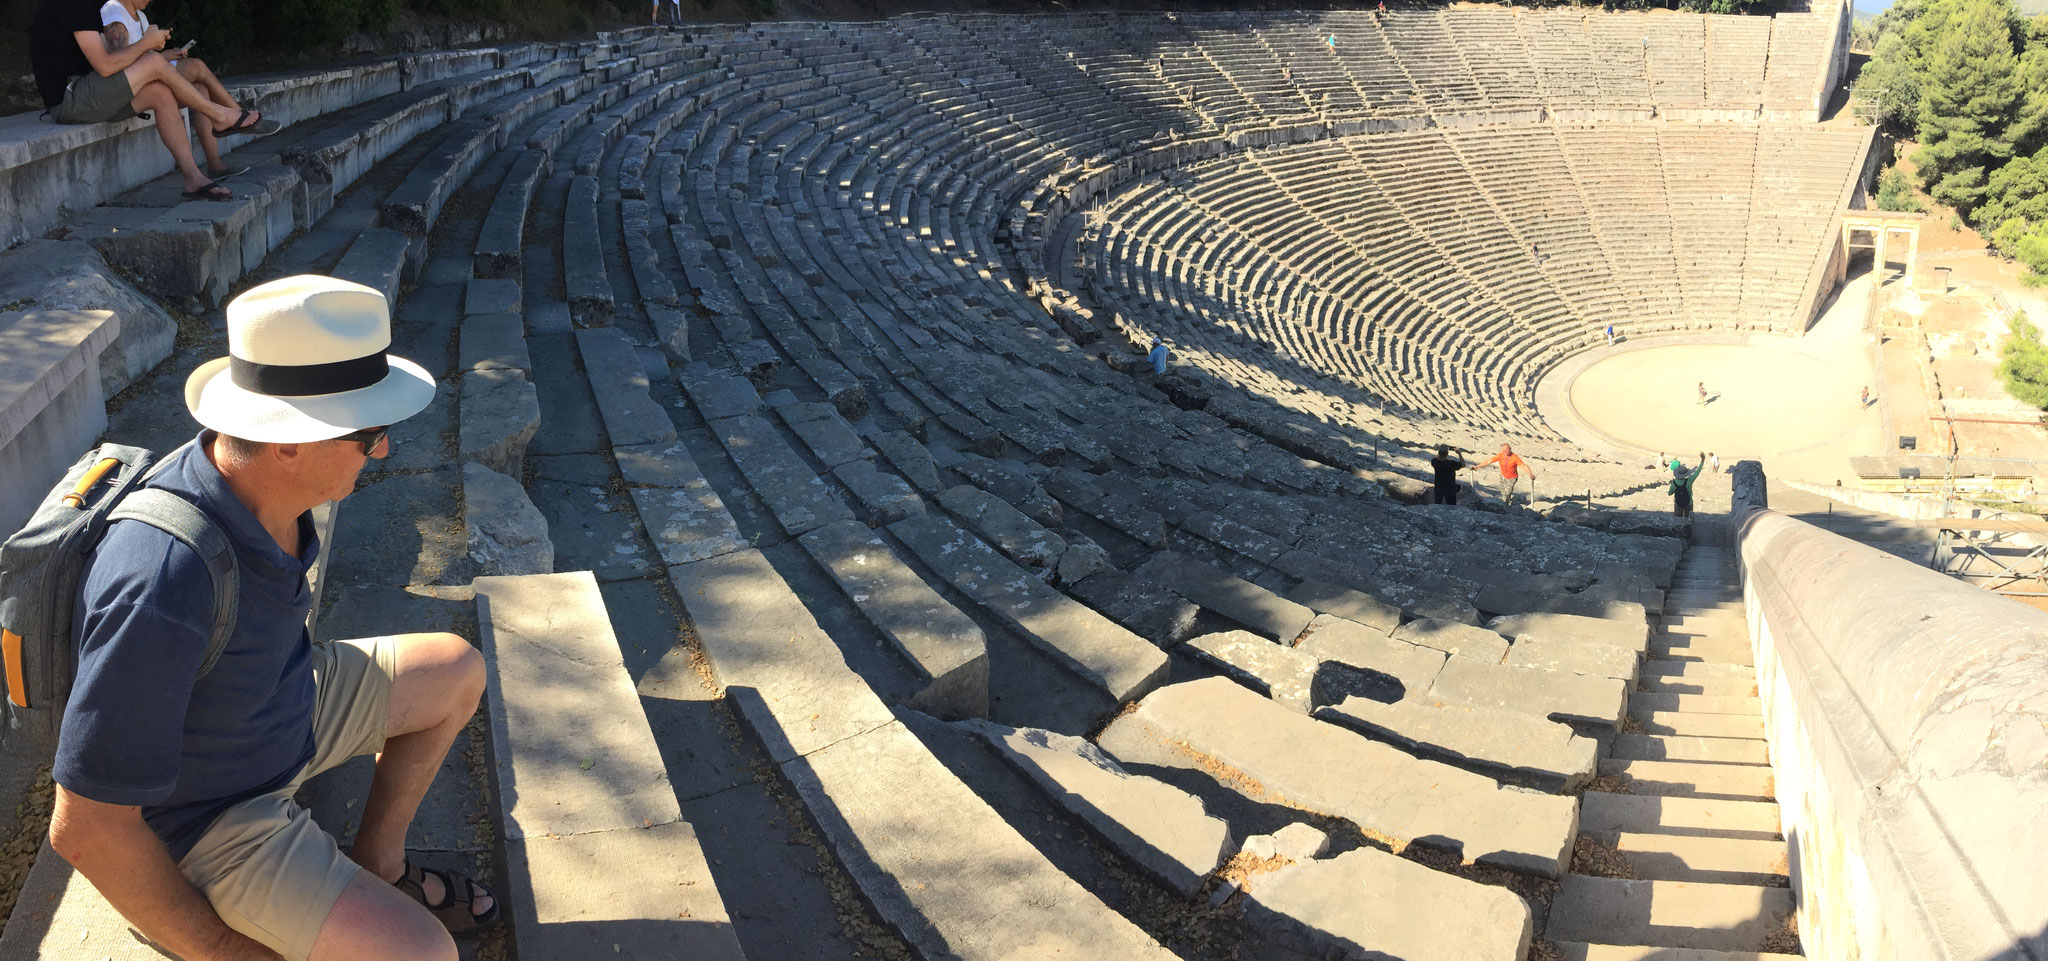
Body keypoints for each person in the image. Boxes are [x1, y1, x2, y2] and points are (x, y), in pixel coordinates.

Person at [50, 275, 500, 961]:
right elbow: (86, 827)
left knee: (456, 670)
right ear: (290, 439)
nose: (382, 450)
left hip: (276, 707)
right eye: (370, 433)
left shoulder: (258, 482)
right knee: (424, 953)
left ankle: (378, 864)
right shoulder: (161, 580)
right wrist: (222, 946)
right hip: (210, 816)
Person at [29, 0, 273, 201]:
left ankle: (194, 179)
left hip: (91, 94)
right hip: (70, 101)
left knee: (160, 91)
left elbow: (111, 63)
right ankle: (220, 117)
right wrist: (147, 45)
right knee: (154, 63)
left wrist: (152, 50)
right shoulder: (75, 4)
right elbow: (105, 66)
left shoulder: (91, 5)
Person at [100, 0, 246, 182]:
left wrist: (164, 53)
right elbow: (122, 65)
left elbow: (147, 58)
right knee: (197, 67)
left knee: (200, 88)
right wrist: (157, 52)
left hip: (150, 76)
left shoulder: (142, 17)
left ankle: (215, 165)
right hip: (133, 87)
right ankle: (239, 116)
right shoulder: (113, 10)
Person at [1473, 443, 1533, 507]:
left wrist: (1530, 474)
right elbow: (1489, 461)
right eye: (1503, 450)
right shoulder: (1500, 456)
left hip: (1512, 477)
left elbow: (1523, 466)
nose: (1505, 451)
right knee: (1503, 492)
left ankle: (1505, 505)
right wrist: (1478, 466)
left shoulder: (1515, 457)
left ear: (1510, 449)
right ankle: (1507, 502)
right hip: (1503, 476)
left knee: (1507, 492)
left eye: (1506, 449)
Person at [1668, 452, 1705, 518]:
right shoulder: (1690, 480)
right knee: (1689, 521)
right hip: (1689, 503)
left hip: (1678, 504)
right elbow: (1698, 471)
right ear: (1686, 473)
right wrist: (1702, 460)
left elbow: (1669, 493)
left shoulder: (1674, 483)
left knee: (1677, 522)